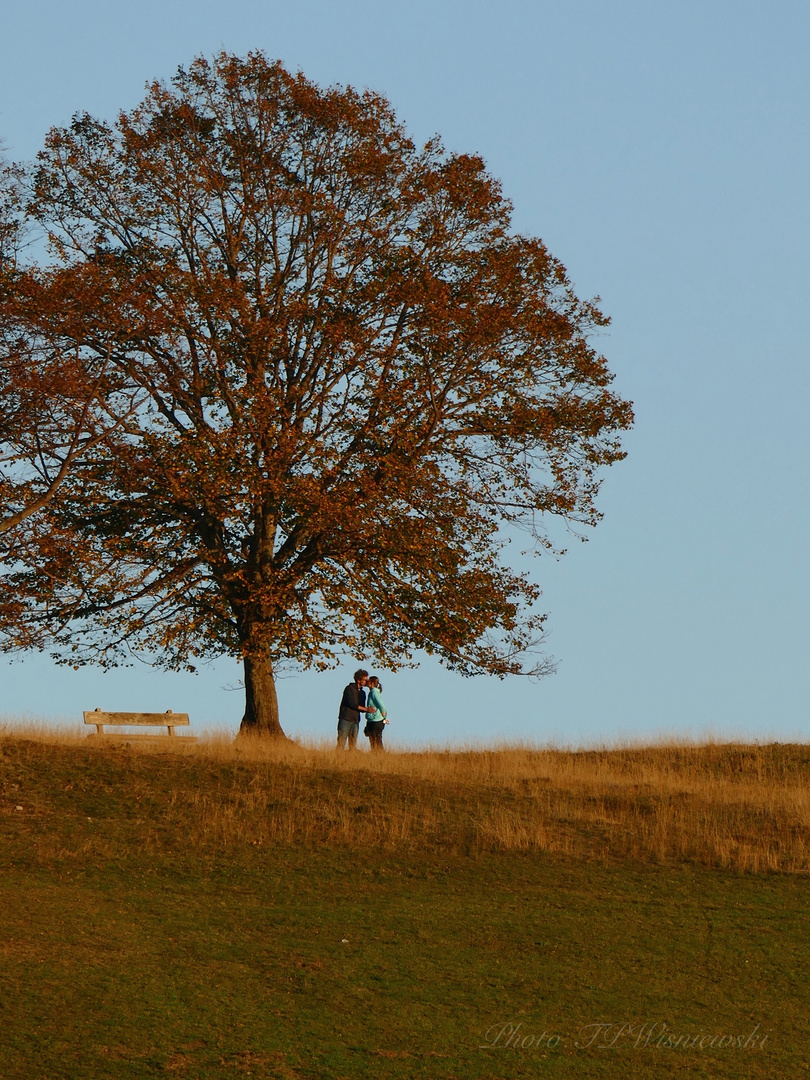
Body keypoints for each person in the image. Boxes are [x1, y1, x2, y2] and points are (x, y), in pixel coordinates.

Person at [336, 669, 371, 750]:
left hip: (355, 720)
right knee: (341, 742)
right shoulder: (349, 689)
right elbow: (352, 704)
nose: (366, 681)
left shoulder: (362, 693)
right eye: (365, 680)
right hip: (346, 718)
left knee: (353, 744)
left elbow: (361, 708)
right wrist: (367, 709)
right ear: (359, 680)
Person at [363, 675, 389, 751]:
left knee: (375, 741)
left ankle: (379, 755)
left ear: (372, 683)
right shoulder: (372, 692)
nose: (366, 682)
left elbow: (381, 705)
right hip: (372, 720)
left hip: (376, 720)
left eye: (368, 681)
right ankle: (377, 756)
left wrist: (384, 715)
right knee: (374, 741)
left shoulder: (374, 692)